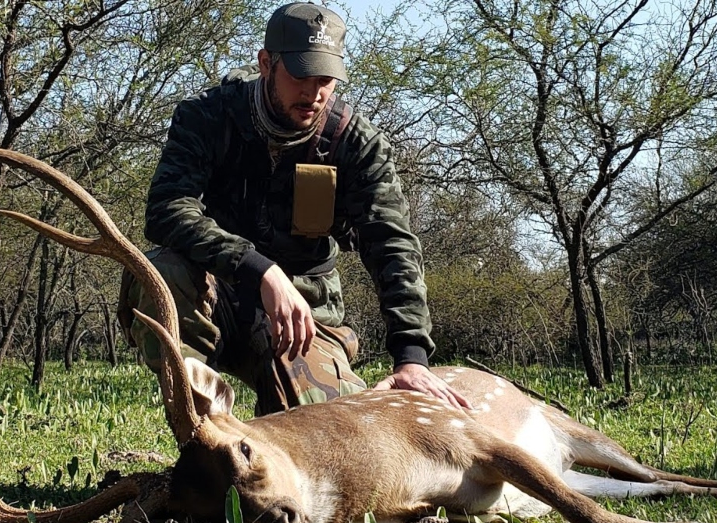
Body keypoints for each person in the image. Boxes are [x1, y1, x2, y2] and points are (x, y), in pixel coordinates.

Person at [118, 2, 470, 414]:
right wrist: (259, 268)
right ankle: (201, 440)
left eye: (327, 79)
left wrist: (411, 356)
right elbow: (166, 209)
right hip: (217, 294)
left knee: (325, 433)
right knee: (162, 270)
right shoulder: (207, 116)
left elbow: (393, 245)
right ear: (266, 63)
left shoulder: (356, 143)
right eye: (301, 75)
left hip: (306, 311)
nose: (314, 93)